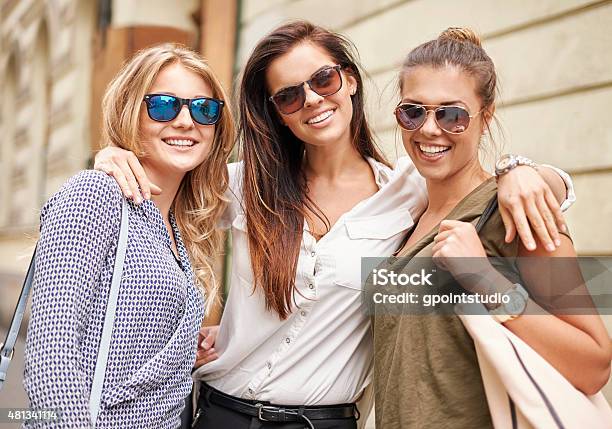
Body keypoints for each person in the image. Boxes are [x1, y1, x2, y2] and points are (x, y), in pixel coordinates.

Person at [94, 21, 575, 429]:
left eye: (322, 80)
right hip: (223, 414)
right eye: (287, 95)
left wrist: (526, 171)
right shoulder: (241, 186)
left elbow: (487, 195)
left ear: (348, 80)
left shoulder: (408, 193)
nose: (311, 100)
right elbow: (164, 175)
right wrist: (112, 154)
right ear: (276, 113)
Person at [370, 27, 612, 429]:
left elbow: (594, 362)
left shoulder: (514, 210)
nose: (429, 129)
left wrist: (486, 280)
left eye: (452, 115)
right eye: (413, 111)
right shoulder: (407, 217)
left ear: (486, 116)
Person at [23, 43, 234, 428]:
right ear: (130, 113)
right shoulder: (95, 194)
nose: (187, 121)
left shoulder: (175, 224)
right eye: (163, 105)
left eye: (204, 109)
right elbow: (50, 359)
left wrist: (184, 346)